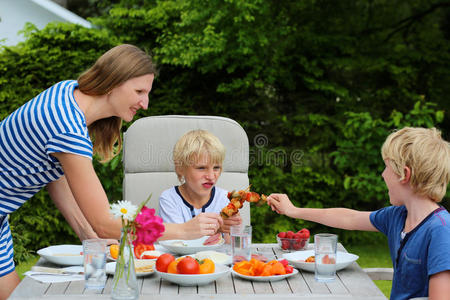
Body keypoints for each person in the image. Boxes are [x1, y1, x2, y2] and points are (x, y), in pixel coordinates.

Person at [0, 44, 218, 300]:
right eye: (139, 91)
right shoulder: (67, 128)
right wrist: (183, 230)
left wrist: (88, 237)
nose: (145, 104)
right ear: (113, 82)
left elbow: (57, 177)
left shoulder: (67, 93)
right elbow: (105, 223)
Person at [267, 127, 450, 300]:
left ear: (404, 174)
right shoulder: (397, 216)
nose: (383, 174)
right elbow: (349, 218)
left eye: (386, 167)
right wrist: (293, 210)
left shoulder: (441, 231)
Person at [158, 129, 242, 237]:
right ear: (180, 169)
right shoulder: (169, 199)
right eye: (201, 168)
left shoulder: (225, 199)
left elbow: (231, 248)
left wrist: (232, 229)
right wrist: (215, 229)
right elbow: (176, 243)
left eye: (216, 168)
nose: (211, 176)